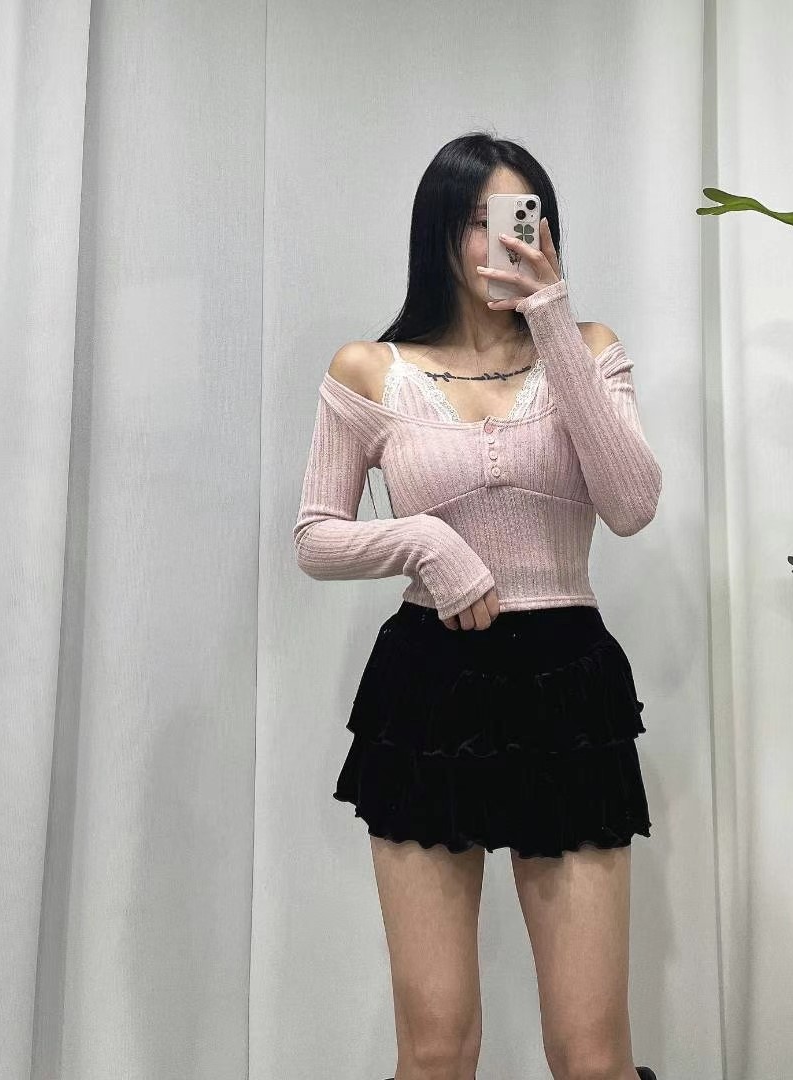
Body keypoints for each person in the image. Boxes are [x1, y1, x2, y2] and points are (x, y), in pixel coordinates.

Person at [294, 131, 662, 1080]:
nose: (498, 239)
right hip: (431, 688)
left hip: (568, 688)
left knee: (593, 1058)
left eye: (518, 216)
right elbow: (315, 536)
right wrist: (425, 543)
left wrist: (552, 318)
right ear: (438, 232)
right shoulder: (371, 369)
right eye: (474, 219)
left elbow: (631, 504)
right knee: (437, 1050)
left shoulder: (589, 349)